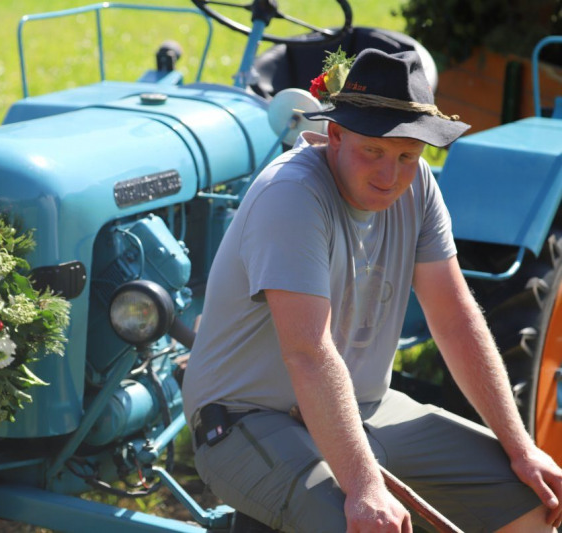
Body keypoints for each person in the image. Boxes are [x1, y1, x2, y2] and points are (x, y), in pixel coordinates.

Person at [181, 48, 562, 532]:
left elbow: (455, 317)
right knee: (360, 525)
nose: (390, 176)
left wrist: (520, 446)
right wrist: (364, 489)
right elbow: (308, 353)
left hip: (364, 409)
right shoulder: (292, 195)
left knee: (531, 499)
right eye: (373, 151)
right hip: (245, 420)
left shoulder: (418, 186)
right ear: (335, 135)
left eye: (407, 155)